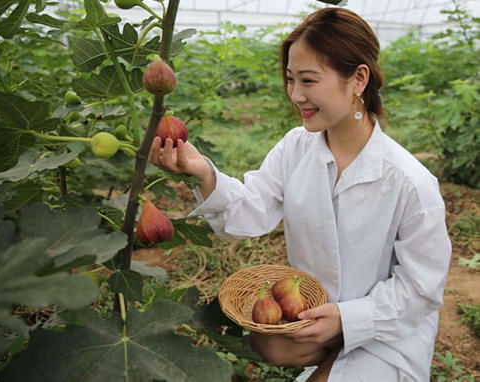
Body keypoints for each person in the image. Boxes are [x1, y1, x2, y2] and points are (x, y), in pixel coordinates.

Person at [149, 7, 452, 382]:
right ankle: (330, 356)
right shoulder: (296, 147)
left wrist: (347, 318)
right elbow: (251, 210)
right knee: (269, 343)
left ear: (358, 79)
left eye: (308, 81)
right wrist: (202, 172)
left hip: (390, 326)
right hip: (315, 313)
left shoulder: (409, 181)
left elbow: (421, 290)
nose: (295, 95)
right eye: (291, 80)